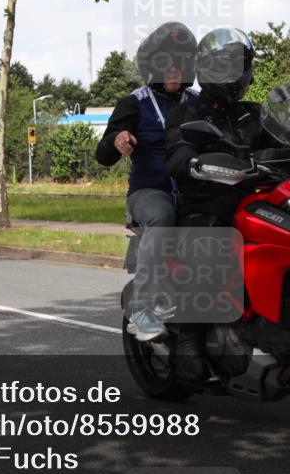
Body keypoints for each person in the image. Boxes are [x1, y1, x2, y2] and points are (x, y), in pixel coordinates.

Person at [164, 27, 277, 380]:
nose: (232, 72)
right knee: (209, 241)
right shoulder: (187, 114)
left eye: (238, 64)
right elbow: (178, 150)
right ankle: (190, 339)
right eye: (224, 64)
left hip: (257, 201)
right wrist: (191, 162)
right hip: (207, 203)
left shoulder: (255, 114)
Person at [96, 22, 198, 341]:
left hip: (193, 194)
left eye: (179, 62)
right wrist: (118, 139)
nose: (172, 69)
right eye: (165, 62)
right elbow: (103, 153)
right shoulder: (135, 102)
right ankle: (141, 309)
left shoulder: (198, 102)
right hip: (148, 194)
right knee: (162, 213)